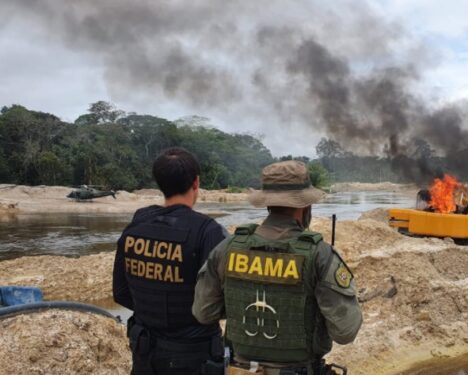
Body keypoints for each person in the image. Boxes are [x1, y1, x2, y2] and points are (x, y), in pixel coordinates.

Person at [192, 160, 362, 375]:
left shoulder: (227, 249)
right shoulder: (320, 255)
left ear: (267, 203)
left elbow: (203, 313)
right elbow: (346, 331)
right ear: (304, 205)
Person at [113, 147, 227, 375]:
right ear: (196, 183)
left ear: (159, 183)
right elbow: (219, 305)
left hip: (145, 353)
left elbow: (121, 293)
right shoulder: (208, 231)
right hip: (194, 359)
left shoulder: (136, 227)